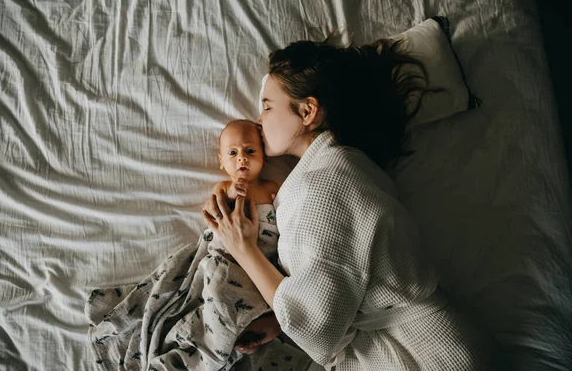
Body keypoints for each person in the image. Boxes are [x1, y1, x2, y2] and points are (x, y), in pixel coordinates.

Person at [202, 38, 495, 370]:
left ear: (308, 111)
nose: (258, 119)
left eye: (268, 106)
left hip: (429, 353)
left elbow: (314, 323)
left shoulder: (327, 184)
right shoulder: (339, 169)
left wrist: (243, 248)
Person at [86, 120, 315, 370]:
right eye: (233, 153)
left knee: (251, 301)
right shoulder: (226, 187)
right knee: (218, 290)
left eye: (250, 151)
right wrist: (229, 196)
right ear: (221, 161)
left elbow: (288, 216)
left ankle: (239, 335)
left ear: (263, 156)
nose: (242, 159)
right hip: (226, 259)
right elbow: (212, 210)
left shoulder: (272, 188)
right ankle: (218, 346)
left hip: (261, 263)